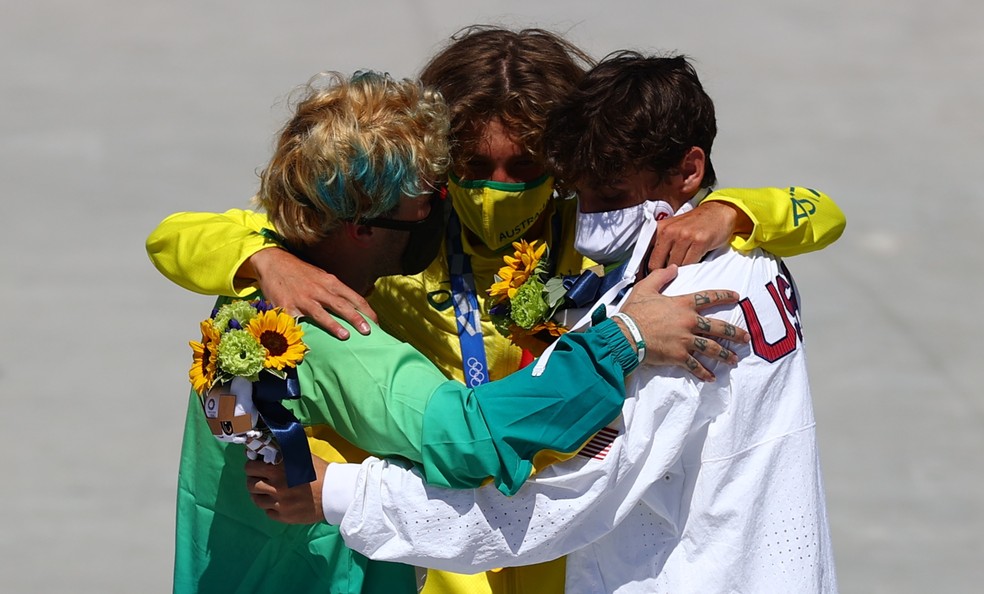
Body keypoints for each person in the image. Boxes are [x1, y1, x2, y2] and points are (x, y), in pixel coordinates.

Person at [147, 27, 845, 594]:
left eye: (526, 169)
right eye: (474, 169)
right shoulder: (391, 244)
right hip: (439, 545)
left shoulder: (591, 230)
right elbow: (172, 236)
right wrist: (262, 257)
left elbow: (824, 212)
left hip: (550, 545)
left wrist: (736, 209)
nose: (496, 190)